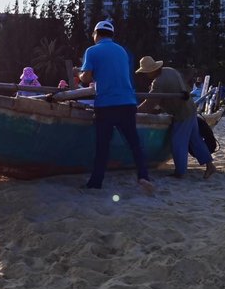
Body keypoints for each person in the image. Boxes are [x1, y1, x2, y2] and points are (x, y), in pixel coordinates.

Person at [75, 20, 154, 193]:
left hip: (106, 105)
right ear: (111, 35)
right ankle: (143, 176)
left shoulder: (92, 51)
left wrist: (79, 74)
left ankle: (96, 183)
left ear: (96, 34)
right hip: (127, 102)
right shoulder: (122, 51)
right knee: (134, 143)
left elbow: (86, 78)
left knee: (102, 146)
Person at [137, 56, 216, 180]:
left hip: (182, 113)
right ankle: (210, 165)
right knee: (195, 140)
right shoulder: (170, 70)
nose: (146, 75)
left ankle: (180, 172)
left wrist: (134, 111)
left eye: (146, 72)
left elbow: (150, 102)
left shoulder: (158, 82)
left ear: (151, 70)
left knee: (178, 142)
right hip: (190, 108)